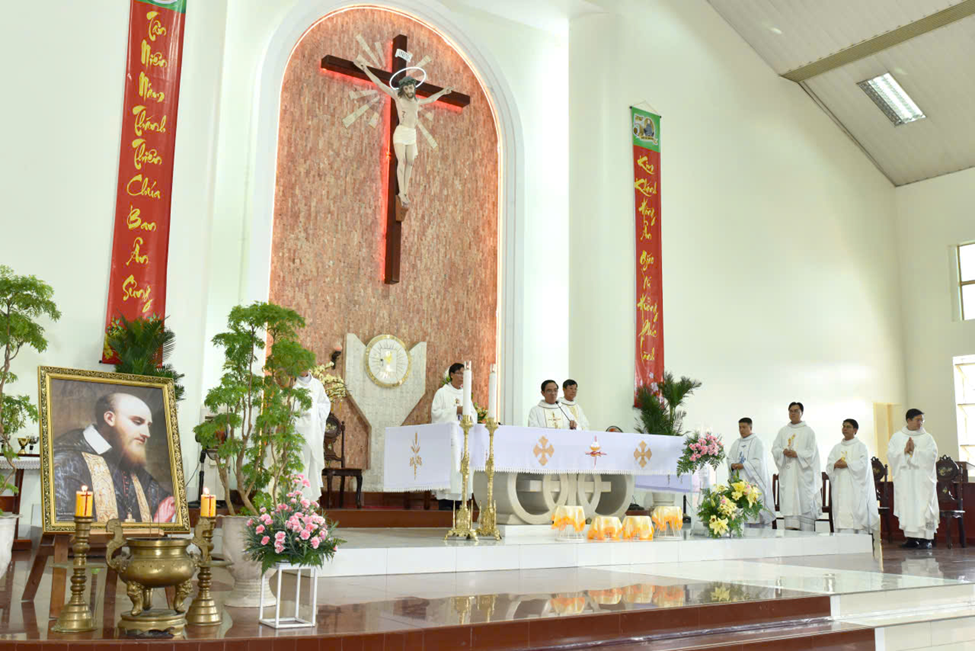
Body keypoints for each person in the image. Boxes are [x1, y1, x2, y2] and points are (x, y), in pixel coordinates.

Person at [53, 393, 175, 523]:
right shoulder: (66, 460)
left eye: (148, 425)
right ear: (110, 418)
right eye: (138, 422)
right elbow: (65, 525)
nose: (147, 434)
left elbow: (166, 504)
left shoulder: (126, 458)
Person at [355, 61, 453, 209]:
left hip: (412, 134)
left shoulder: (416, 101)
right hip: (401, 132)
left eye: (410, 87)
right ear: (403, 89)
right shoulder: (398, 97)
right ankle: (402, 193)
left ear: (414, 87)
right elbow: (379, 84)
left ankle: (405, 192)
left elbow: (431, 99)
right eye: (406, 88)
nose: (408, 89)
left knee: (410, 162)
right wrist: (366, 70)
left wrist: (442, 92)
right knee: (402, 161)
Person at [888, 408, 939, 549]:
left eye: (922, 420)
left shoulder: (927, 438)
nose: (920, 423)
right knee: (908, 506)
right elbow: (891, 455)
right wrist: (903, 451)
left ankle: (927, 539)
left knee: (925, 508)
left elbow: (932, 456)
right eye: (918, 420)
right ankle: (911, 538)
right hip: (906, 480)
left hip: (922, 481)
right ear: (908, 420)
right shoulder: (897, 437)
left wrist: (915, 451)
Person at [771, 401, 822, 531]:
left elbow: (811, 453)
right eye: (791, 411)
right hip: (788, 475)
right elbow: (775, 449)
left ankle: (807, 534)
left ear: (801, 413)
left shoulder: (808, 431)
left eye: (796, 411)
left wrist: (797, 454)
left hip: (803, 476)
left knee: (804, 503)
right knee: (790, 505)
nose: (793, 413)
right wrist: (782, 452)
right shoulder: (783, 431)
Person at [825, 419, 879, 534]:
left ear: (855, 430)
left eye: (848, 427)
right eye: (843, 426)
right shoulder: (836, 448)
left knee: (856, 513)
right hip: (840, 487)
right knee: (842, 512)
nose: (844, 429)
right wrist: (834, 465)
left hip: (855, 488)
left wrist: (847, 464)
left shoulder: (861, 447)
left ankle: (859, 538)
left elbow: (863, 465)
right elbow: (829, 465)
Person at [728, 417, 775, 527]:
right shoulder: (736, 443)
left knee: (754, 516)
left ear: (750, 427)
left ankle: (756, 532)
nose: (741, 430)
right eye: (740, 427)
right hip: (739, 483)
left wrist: (744, 465)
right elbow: (729, 458)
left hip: (754, 483)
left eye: (744, 427)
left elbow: (759, 462)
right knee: (740, 515)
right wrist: (732, 465)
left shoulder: (757, 442)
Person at [431, 363, 466, 509]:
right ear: (451, 374)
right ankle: (445, 504)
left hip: (462, 439)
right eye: (459, 373)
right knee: (448, 470)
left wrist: (468, 414)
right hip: (446, 440)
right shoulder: (442, 393)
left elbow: (473, 414)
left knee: (460, 471)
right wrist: (455, 410)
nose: (462, 377)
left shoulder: (465, 394)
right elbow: (435, 414)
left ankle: (460, 504)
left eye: (464, 374)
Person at [294, 369, 331, 503]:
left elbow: (325, 404)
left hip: (313, 432)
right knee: (297, 466)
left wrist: (314, 411)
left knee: (310, 467)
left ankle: (307, 504)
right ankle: (294, 501)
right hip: (296, 432)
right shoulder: (291, 383)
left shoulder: (317, 385)